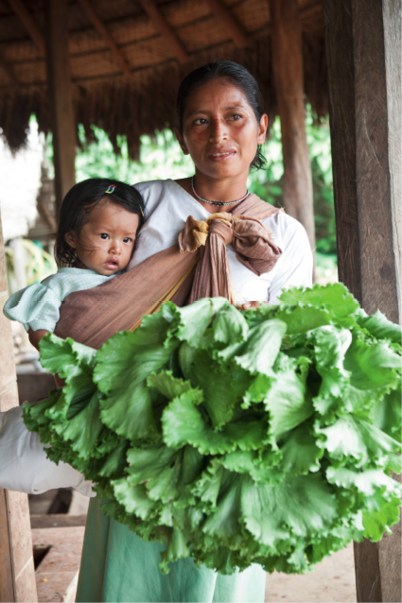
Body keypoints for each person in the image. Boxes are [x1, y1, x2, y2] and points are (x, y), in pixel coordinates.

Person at [71, 61, 313, 603]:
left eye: (234, 117)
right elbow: (91, 297)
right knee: (127, 577)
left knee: (217, 584)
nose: (219, 134)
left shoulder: (285, 235)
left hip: (228, 440)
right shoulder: (143, 203)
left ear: (262, 126)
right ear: (182, 135)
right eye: (200, 121)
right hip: (136, 434)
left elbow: (290, 341)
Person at [4, 177, 144, 352]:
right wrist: (67, 359)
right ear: (72, 238)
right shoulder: (60, 284)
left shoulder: (130, 277)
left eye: (126, 239)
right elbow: (39, 330)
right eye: (104, 236)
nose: (117, 249)